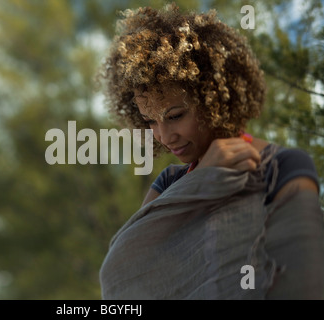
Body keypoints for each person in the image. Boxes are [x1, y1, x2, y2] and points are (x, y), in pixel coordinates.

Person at [98, 3, 324, 299]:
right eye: (150, 121)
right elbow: (123, 276)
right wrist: (202, 179)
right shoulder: (169, 184)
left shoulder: (284, 167)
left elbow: (305, 283)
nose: (164, 136)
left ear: (213, 99)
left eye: (176, 115)